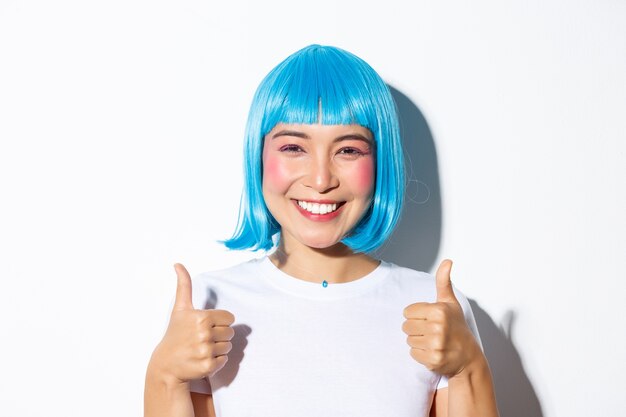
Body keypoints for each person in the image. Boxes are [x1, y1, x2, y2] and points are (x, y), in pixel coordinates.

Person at [144, 44, 499, 417]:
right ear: (258, 157)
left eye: (347, 150)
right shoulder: (209, 301)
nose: (320, 179)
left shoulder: (435, 307)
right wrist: (164, 377)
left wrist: (468, 369)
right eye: (294, 147)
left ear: (381, 162)